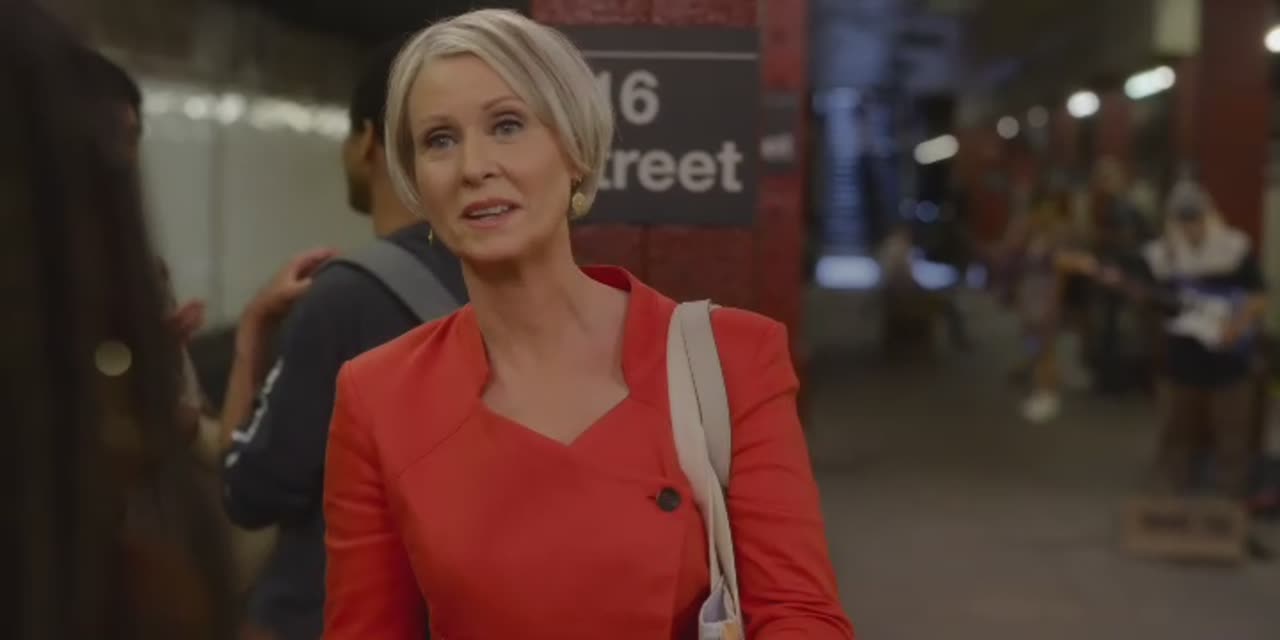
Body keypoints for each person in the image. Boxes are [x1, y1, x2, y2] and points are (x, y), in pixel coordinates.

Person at [322, 10, 853, 639]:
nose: (473, 166)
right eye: (439, 139)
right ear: (416, 183)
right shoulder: (378, 396)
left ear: (575, 151)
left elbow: (800, 615)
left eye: (507, 125)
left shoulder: (731, 358)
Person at [217, 37, 468, 640]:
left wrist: (252, 336)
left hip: (334, 615)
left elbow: (251, 491)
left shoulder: (346, 295)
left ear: (368, 141)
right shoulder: (501, 281)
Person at [2, 1, 236, 637]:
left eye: (132, 138)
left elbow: (190, 428)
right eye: (110, 140)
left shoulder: (136, 283)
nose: (125, 157)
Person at [1130, 181, 1266, 499]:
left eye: (1195, 218)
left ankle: (1230, 496)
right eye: (1183, 219)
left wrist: (1236, 327)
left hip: (1229, 358)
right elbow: (1151, 300)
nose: (1190, 226)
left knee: (1231, 431)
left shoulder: (1234, 249)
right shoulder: (1161, 256)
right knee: (1176, 429)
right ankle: (1169, 493)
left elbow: (1258, 296)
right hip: (1181, 358)